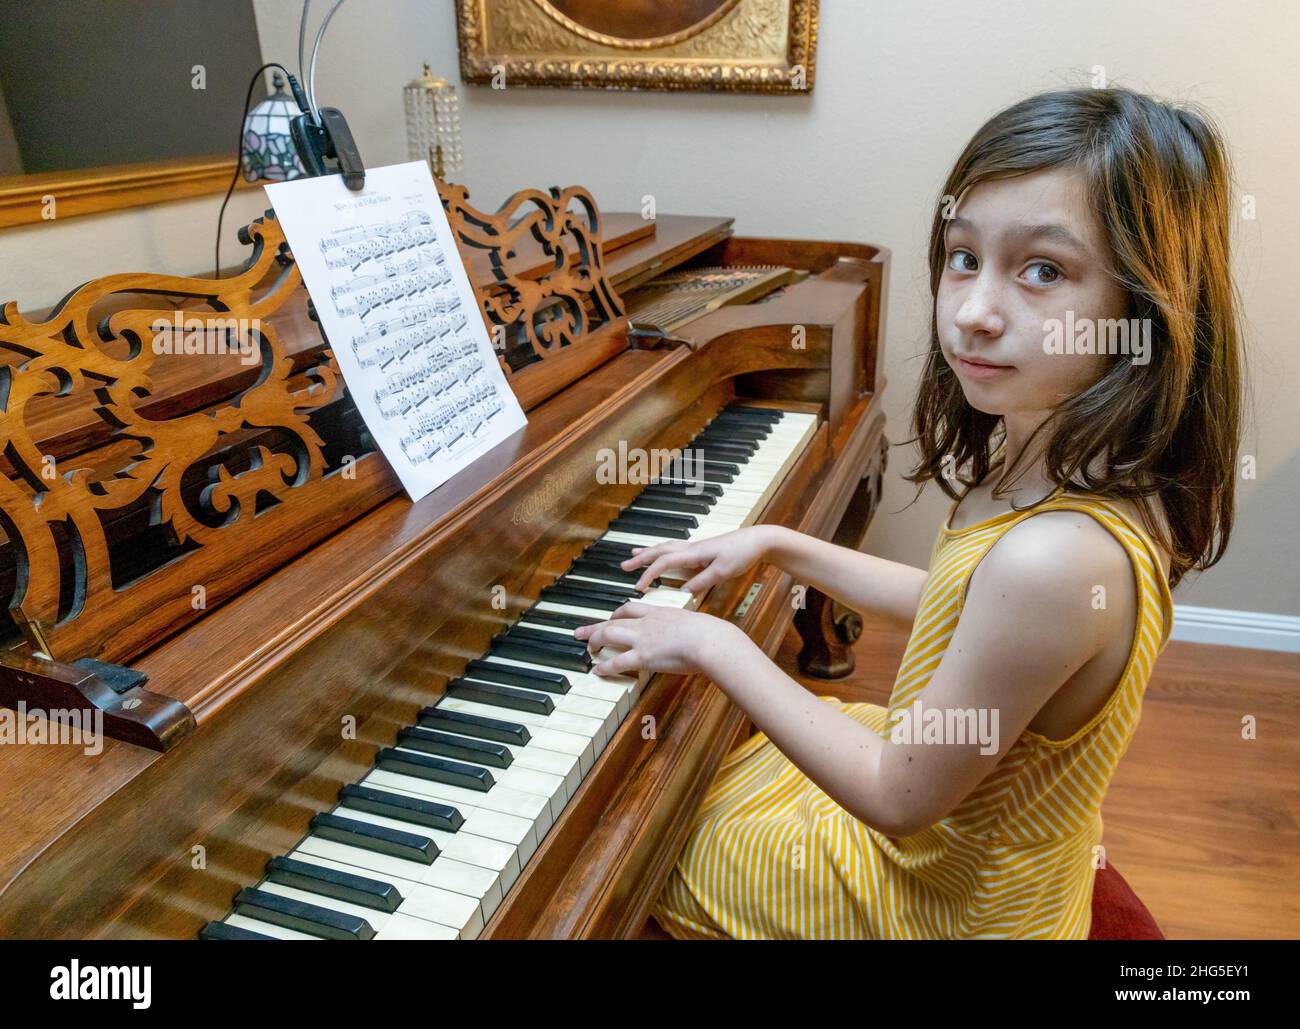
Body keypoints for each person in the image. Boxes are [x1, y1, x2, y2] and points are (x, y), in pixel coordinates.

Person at [573, 86, 1242, 939]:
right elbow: (959, 601)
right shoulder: (1070, 463)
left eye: (1044, 270)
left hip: (945, 907)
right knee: (713, 775)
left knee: (650, 843)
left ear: (1143, 307)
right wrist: (782, 544)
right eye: (963, 258)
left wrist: (715, 643)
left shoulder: (1061, 559)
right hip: (992, 853)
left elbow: (897, 795)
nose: (974, 312)